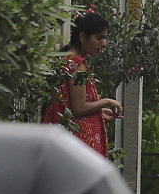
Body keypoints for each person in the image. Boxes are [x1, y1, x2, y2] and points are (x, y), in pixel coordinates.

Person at [42, 12, 121, 157]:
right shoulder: (77, 64)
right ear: (83, 37)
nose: (103, 43)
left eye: (104, 38)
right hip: (79, 145)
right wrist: (107, 101)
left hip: (66, 142)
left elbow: (70, 106)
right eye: (99, 37)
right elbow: (79, 108)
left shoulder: (65, 59)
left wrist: (98, 112)